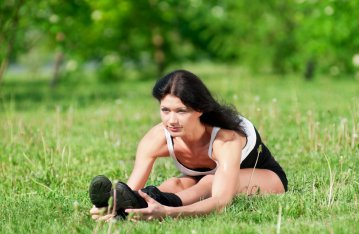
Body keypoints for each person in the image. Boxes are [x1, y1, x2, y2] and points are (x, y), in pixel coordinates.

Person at [89, 69, 287, 221]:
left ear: (199, 109)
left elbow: (220, 201)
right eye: (165, 110)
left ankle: (162, 203)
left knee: (210, 182)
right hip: (203, 181)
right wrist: (114, 206)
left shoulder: (225, 139)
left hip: (263, 177)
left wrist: (168, 213)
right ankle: (142, 203)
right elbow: (131, 187)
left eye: (181, 111)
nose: (171, 120)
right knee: (173, 184)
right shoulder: (155, 138)